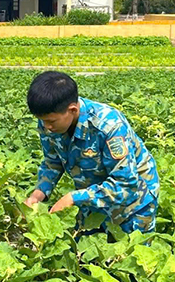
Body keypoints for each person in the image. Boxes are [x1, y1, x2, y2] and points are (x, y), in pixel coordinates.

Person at [24, 71, 159, 234]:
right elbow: (52, 162)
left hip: (134, 202)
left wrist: (73, 198)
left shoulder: (109, 126)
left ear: (72, 110)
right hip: (92, 196)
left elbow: (125, 184)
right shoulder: (50, 119)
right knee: (88, 251)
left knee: (130, 255)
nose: (46, 127)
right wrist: (37, 195)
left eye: (50, 121)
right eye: (42, 121)